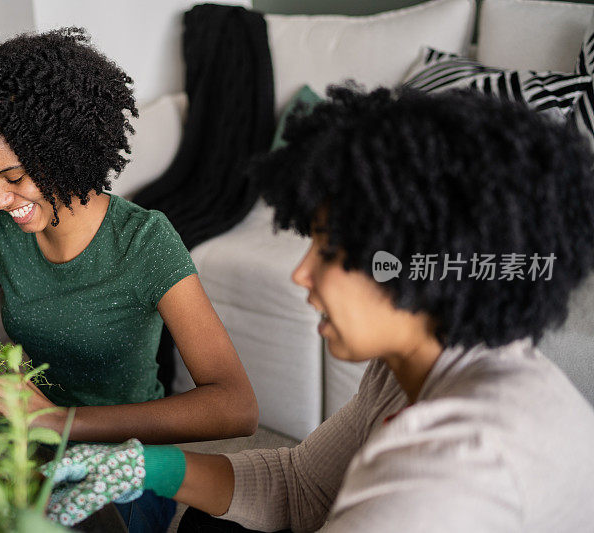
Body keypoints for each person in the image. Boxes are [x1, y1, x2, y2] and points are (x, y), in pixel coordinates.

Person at [40, 86, 594, 532]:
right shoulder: (409, 369)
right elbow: (300, 487)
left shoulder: (461, 466)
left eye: (329, 249)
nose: (301, 273)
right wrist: (156, 467)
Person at [0, 30, 258, 532]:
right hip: (28, 447)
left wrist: (60, 420)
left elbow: (236, 407)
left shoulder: (144, 242)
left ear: (59, 149)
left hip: (123, 465)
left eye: (14, 178)